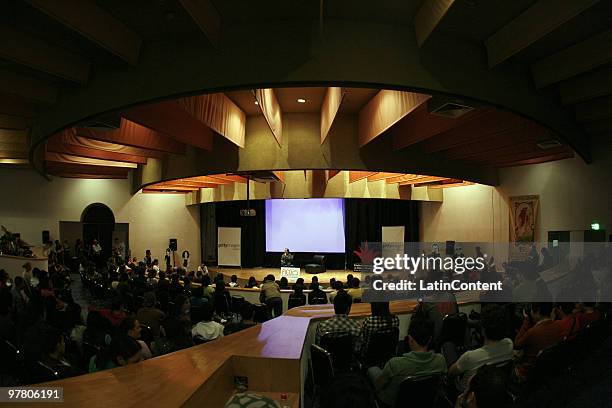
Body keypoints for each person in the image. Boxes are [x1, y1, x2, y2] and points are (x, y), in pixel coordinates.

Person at [368, 319, 446, 407]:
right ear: (430, 339)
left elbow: (379, 386)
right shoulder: (441, 360)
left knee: (373, 370)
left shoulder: (395, 364)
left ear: (410, 339)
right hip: (426, 401)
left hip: (391, 402)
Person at [448, 305, 513, 391]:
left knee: (448, 346)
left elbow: (451, 374)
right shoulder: (509, 344)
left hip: (466, 392)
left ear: (482, 329)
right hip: (493, 390)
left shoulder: (470, 357)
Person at [514, 302, 562, 380]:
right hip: (547, 368)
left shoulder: (533, 332)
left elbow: (516, 344)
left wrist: (526, 320)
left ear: (538, 311)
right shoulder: (558, 325)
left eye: (532, 310)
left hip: (529, 372)